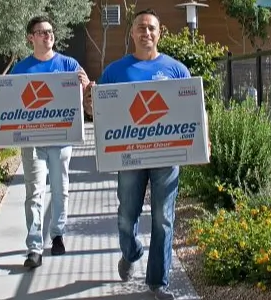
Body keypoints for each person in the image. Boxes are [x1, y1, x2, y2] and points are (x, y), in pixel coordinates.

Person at [95, 9, 191, 300]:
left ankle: (158, 282)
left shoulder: (176, 70)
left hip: (167, 156)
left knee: (163, 218)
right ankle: (131, 251)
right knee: (126, 215)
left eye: (151, 28)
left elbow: (193, 109)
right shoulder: (115, 71)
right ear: (132, 33)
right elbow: (100, 112)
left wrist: (204, 140)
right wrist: (89, 100)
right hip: (130, 156)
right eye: (140, 28)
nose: (146, 33)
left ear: (160, 32)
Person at [9, 15, 92, 268]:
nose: (48, 35)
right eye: (42, 32)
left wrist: (87, 85)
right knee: (33, 193)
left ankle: (57, 235)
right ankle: (34, 247)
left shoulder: (69, 65)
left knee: (60, 189)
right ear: (30, 38)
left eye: (50, 31)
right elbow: (9, 102)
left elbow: (88, 97)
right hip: (32, 142)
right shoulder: (21, 69)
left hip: (61, 139)